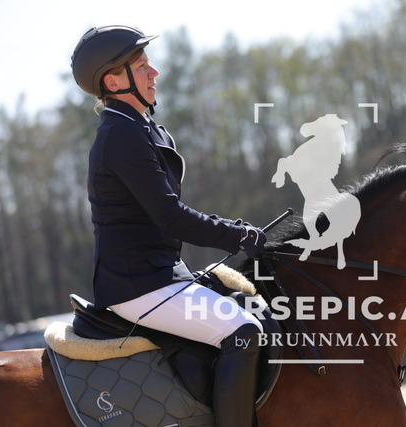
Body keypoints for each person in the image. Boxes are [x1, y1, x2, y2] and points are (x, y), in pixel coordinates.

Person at [71, 25, 264, 427]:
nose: (154, 72)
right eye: (142, 66)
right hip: (138, 284)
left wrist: (236, 231)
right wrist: (238, 234)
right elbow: (171, 216)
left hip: (162, 274)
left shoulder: (142, 127)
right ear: (114, 82)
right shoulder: (120, 135)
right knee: (243, 330)